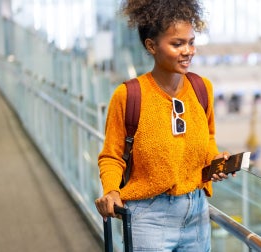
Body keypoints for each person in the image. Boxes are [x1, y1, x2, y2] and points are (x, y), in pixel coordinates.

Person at [94, 1, 233, 251]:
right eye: (177, 44)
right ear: (152, 46)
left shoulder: (202, 89)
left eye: (191, 42)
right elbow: (111, 156)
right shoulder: (129, 95)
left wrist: (215, 160)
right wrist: (112, 190)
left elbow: (208, 138)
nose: (188, 50)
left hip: (197, 212)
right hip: (148, 217)